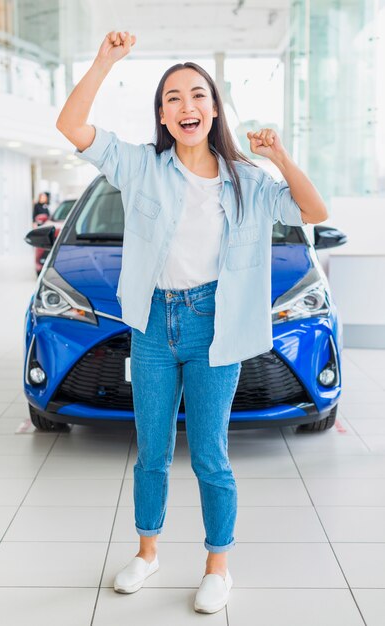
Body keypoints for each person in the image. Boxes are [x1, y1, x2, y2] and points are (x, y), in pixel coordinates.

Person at [56, 30, 328, 614]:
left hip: (216, 326)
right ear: (162, 113)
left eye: (197, 95)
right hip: (154, 322)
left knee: (209, 453)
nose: (187, 106)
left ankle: (217, 566)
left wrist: (278, 156)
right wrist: (105, 59)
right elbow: (72, 126)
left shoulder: (248, 181)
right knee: (151, 450)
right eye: (173, 97)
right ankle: (148, 553)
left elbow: (312, 210)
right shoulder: (140, 168)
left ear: (214, 108)